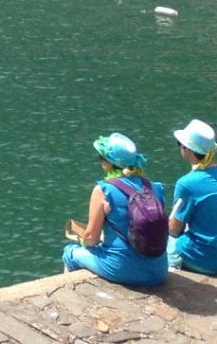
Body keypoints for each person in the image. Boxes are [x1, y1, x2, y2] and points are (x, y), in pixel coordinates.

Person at [63, 132, 169, 287]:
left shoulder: (103, 190)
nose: (100, 162)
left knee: (69, 253)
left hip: (121, 268)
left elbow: (91, 238)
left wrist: (82, 241)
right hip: (158, 271)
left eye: (101, 158)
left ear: (109, 163)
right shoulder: (155, 188)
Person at [169, 118, 217, 274]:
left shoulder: (187, 183)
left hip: (203, 259)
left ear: (187, 149)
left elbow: (174, 230)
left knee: (164, 240)